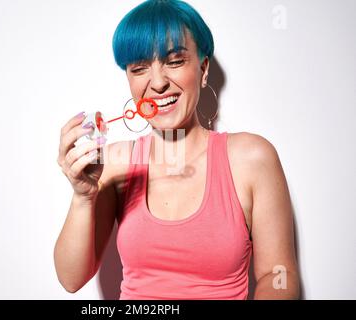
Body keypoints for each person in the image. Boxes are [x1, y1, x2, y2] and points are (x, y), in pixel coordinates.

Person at [54, 0, 300, 300]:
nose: (157, 83)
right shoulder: (116, 162)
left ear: (204, 68)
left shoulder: (250, 158)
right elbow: (70, 279)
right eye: (140, 68)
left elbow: (278, 275)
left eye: (175, 61)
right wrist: (82, 197)